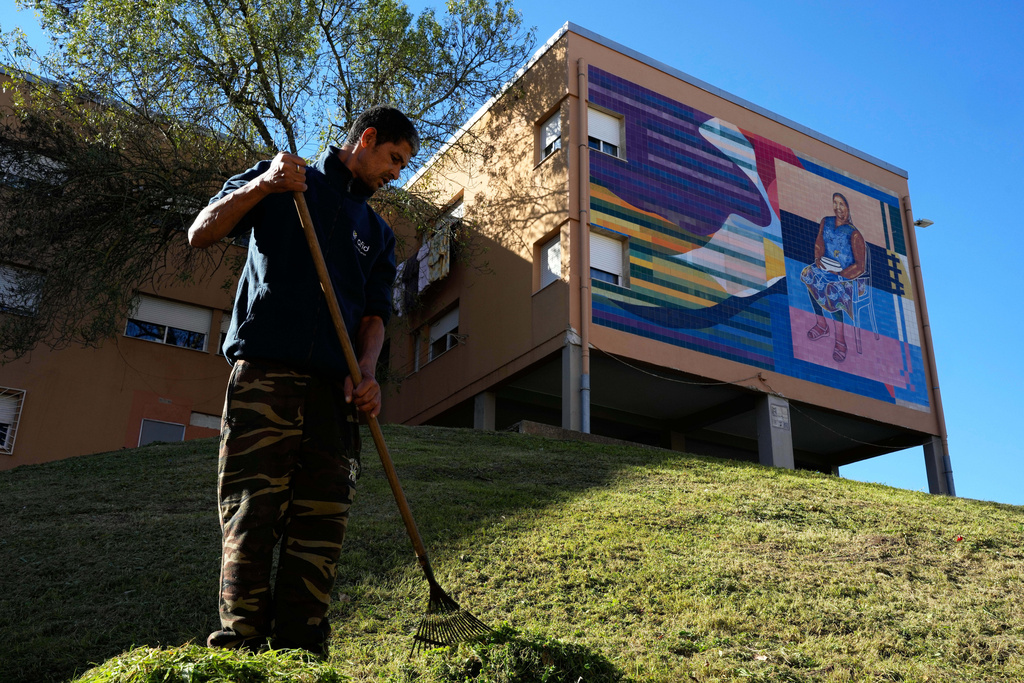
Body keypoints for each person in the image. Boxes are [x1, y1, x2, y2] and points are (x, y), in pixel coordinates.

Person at [188, 106, 419, 656]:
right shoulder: (286, 180)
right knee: (252, 513)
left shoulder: (378, 233)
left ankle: (299, 653)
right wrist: (263, 185)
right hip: (266, 376)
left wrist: (367, 375)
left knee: (323, 524)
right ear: (365, 139)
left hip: (334, 398)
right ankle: (241, 647)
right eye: (393, 158)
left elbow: (373, 319)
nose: (397, 173)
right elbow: (201, 232)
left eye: (404, 165)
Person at [799, 192, 866, 363]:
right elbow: (819, 242)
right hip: (826, 268)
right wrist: (818, 259)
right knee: (809, 275)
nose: (838, 208)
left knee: (833, 291)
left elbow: (860, 266)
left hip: (847, 277)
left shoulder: (854, 234)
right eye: (835, 203)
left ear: (848, 208)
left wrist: (841, 274)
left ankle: (840, 341)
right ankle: (822, 324)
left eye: (841, 204)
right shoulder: (826, 221)